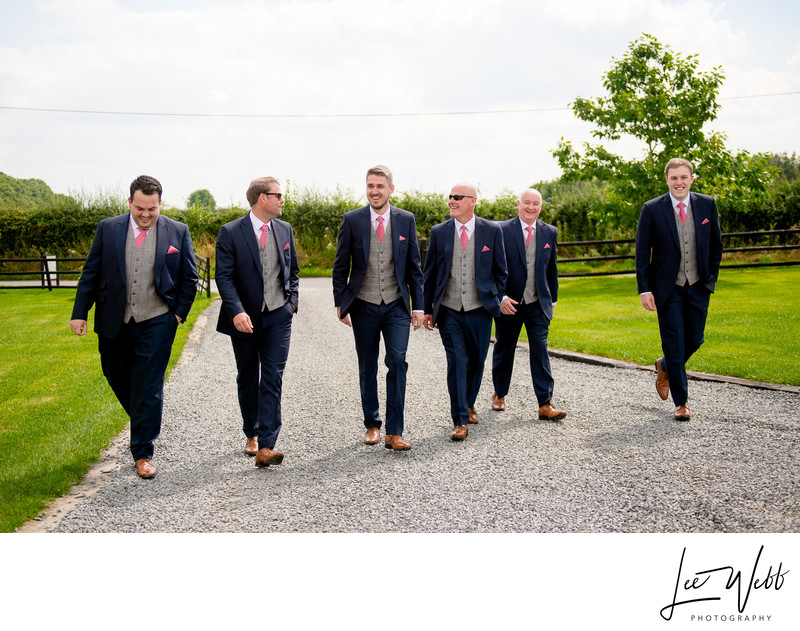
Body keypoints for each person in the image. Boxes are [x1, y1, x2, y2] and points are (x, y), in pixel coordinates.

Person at [70, 175, 198, 479]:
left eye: (151, 209)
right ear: (130, 202)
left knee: (149, 385)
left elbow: (190, 277)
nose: (145, 214)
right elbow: (90, 273)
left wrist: (177, 315)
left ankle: (143, 452)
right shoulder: (108, 228)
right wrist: (80, 313)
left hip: (157, 320)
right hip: (115, 320)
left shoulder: (177, 231)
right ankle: (144, 420)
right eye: (140, 208)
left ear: (160, 204)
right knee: (115, 375)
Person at [332, 165, 424, 451]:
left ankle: (394, 432)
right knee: (367, 364)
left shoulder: (405, 220)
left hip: (396, 304)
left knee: (397, 361)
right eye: (370, 186)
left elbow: (414, 268)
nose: (374, 191)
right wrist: (340, 302)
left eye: (380, 186)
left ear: (391, 189)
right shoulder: (353, 220)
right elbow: (340, 266)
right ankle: (372, 424)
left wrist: (418, 306)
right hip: (363, 304)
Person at [215, 177, 299, 467]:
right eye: (278, 195)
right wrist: (236, 311)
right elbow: (223, 277)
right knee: (248, 376)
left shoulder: (285, 229)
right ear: (262, 198)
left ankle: (267, 444)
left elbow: (293, 271)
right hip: (244, 318)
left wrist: (291, 304)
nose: (282, 200)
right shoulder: (231, 232)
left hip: (279, 314)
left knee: (273, 377)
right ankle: (250, 431)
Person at [635, 158, 723, 421]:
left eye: (684, 177)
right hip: (667, 288)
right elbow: (642, 252)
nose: (679, 182)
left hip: (698, 285)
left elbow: (717, 245)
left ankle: (664, 365)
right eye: (674, 178)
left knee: (695, 339)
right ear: (667, 180)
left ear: (691, 178)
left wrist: (710, 279)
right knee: (674, 343)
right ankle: (681, 402)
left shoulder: (707, 204)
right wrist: (644, 289)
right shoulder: (652, 209)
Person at [422, 183, 508, 441]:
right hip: (448, 311)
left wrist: (495, 297)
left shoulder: (492, 231)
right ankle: (460, 419)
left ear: (472, 201)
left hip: (480, 309)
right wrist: (427, 309)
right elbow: (431, 274)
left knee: (477, 360)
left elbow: (501, 272)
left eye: (457, 197)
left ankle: (469, 403)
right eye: (449, 197)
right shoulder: (439, 232)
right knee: (457, 362)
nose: (451, 201)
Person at [490, 188, 566, 421]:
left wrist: (552, 299)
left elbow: (551, 268)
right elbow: (491, 267)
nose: (531, 207)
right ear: (518, 204)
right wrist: (500, 297)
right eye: (527, 203)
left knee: (540, 349)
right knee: (504, 347)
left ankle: (545, 403)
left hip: (537, 303)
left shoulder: (549, 232)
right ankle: (500, 394)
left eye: (536, 204)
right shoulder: (501, 230)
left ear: (540, 207)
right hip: (509, 302)